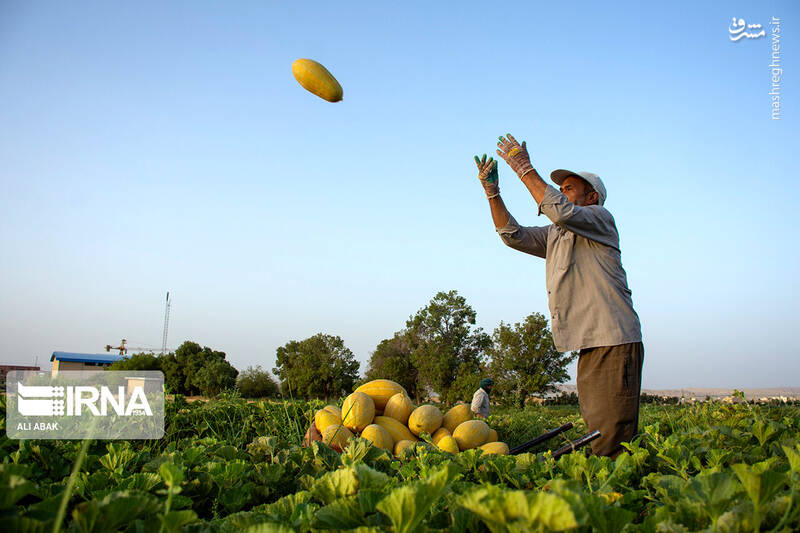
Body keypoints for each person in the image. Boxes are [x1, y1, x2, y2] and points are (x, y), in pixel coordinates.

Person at [474, 133, 644, 459]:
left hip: (614, 338)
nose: (561, 193)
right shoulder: (557, 235)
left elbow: (562, 212)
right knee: (598, 428)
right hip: (591, 342)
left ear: (591, 197)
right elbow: (513, 236)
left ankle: (620, 499)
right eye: (562, 189)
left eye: (569, 189)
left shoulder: (601, 219)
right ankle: (610, 492)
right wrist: (492, 193)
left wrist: (525, 169)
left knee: (612, 438)